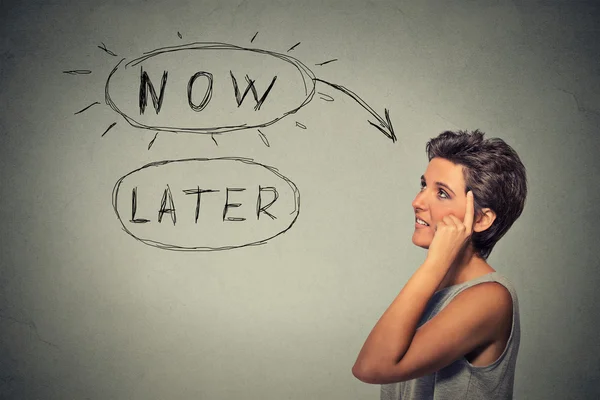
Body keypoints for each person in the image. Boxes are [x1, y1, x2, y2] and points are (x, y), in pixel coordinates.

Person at [352, 130, 527, 399]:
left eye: (442, 193)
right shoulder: (435, 290)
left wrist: (435, 263)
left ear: (480, 219)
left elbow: (370, 368)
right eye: (424, 185)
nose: (418, 201)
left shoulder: (490, 298)